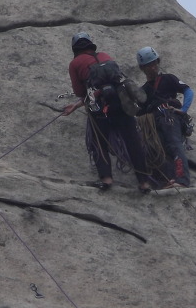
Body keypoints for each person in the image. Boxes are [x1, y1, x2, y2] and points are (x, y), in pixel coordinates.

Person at [62, 32, 152, 193]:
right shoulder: (105, 56)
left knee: (98, 141)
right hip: (121, 103)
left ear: (75, 48)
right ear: (90, 44)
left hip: (99, 106)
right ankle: (144, 182)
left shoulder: (75, 63)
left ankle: (106, 178)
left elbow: (80, 91)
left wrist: (78, 103)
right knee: (133, 141)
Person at [135, 46, 193, 189]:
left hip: (169, 116)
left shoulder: (168, 78)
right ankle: (170, 178)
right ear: (142, 68)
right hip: (154, 121)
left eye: (154, 63)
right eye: (149, 65)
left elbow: (188, 91)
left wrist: (183, 110)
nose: (153, 67)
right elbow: (138, 111)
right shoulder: (143, 91)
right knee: (157, 149)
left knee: (174, 145)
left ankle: (182, 180)